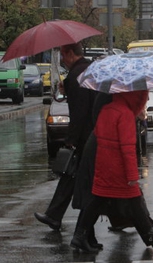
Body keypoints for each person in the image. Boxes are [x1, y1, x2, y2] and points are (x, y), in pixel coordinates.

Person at [70, 90, 153, 252]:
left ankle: (81, 235)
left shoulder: (107, 109)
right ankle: (152, 236)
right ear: (137, 97)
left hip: (103, 164)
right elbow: (127, 149)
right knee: (131, 198)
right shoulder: (125, 114)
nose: (145, 100)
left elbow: (99, 135)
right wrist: (133, 174)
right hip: (118, 168)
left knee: (98, 200)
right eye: (144, 97)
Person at [34, 42, 97, 230]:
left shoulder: (77, 76)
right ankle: (54, 215)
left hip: (86, 138)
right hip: (92, 135)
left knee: (96, 184)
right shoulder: (86, 71)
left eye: (62, 55)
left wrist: (71, 141)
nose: (62, 60)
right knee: (70, 176)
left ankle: (128, 220)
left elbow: (79, 112)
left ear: (70, 54)